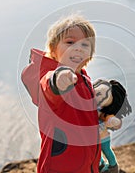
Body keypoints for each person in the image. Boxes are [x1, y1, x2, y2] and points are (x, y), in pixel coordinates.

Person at [21, 14, 100, 173]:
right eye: (70, 42)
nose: (78, 48)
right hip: (60, 166)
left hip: (87, 163)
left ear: (90, 55)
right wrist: (57, 78)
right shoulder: (55, 78)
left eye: (85, 44)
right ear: (53, 50)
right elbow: (48, 87)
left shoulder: (83, 77)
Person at [93, 79, 132, 173]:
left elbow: (111, 120)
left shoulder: (103, 112)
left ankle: (113, 165)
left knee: (107, 151)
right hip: (93, 137)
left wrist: (113, 122)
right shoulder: (91, 105)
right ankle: (101, 164)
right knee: (96, 152)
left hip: (103, 137)